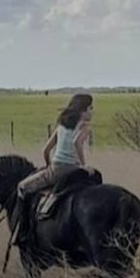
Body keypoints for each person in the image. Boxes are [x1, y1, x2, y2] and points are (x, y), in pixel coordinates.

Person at [11, 93, 93, 246]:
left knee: (22, 187)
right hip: (75, 171)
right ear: (82, 110)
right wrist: (83, 166)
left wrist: (49, 165)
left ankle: (22, 230)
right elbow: (77, 143)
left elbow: (45, 150)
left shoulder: (61, 126)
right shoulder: (85, 127)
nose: (92, 112)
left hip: (57, 170)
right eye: (90, 108)